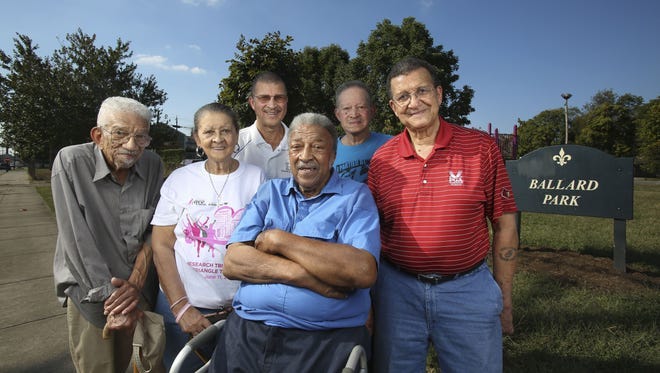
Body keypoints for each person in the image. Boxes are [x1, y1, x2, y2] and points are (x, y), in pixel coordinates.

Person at [368, 57, 519, 372]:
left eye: (422, 91)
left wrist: (504, 298)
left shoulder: (481, 148)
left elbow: (505, 224)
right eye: (403, 97)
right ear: (393, 107)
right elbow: (370, 234)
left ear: (439, 94)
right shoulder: (382, 159)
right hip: (397, 293)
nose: (414, 102)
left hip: (468, 291)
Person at [209, 113, 381, 373]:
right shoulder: (270, 191)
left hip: (323, 339)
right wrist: (305, 276)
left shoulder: (356, 197)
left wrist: (276, 239)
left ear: (333, 155)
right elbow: (233, 262)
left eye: (318, 147)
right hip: (248, 332)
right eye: (297, 147)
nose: (305, 156)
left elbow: (362, 271)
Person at [52, 96, 164, 373]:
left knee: (144, 367)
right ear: (98, 135)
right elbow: (77, 240)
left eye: (141, 137)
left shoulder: (153, 165)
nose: (131, 145)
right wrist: (112, 300)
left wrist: (136, 284)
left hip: (139, 294)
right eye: (120, 134)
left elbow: (155, 230)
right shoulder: (71, 161)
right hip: (91, 297)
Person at [150, 102, 265, 370]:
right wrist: (180, 308)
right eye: (209, 131)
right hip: (184, 312)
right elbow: (162, 245)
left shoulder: (257, 177)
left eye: (225, 130)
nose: (218, 138)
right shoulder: (180, 179)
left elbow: (264, 242)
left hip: (240, 312)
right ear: (197, 138)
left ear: (236, 135)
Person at [233, 71, 291, 179]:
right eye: (264, 98)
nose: (272, 105)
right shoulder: (233, 144)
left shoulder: (303, 145)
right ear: (252, 103)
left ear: (286, 101)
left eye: (279, 98)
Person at [333, 80, 392, 182]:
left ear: (372, 111)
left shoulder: (392, 145)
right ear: (338, 114)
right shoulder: (328, 153)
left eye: (361, 107)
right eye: (346, 108)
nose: (354, 114)